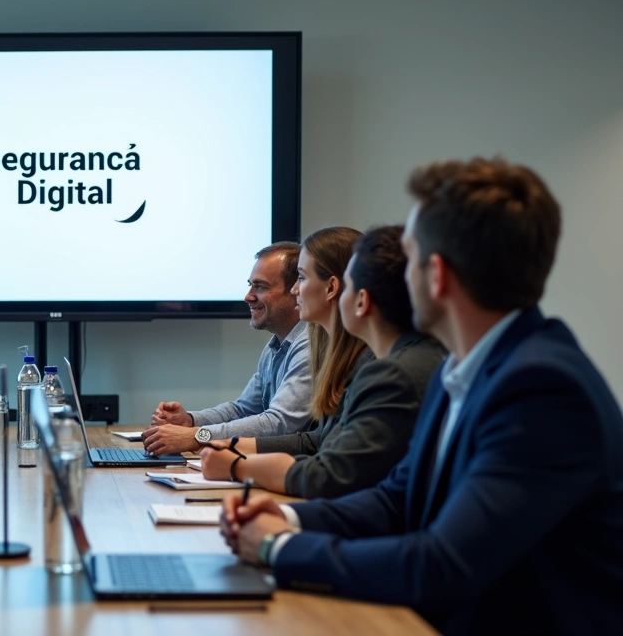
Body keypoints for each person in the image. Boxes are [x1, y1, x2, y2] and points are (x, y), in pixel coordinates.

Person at [220, 158, 623, 635]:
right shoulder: (463, 366)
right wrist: (287, 516)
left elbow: (441, 566)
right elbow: (397, 499)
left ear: (437, 275)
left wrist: (277, 547)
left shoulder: (542, 389)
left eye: (408, 258)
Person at [201, 226, 446, 498]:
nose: (295, 290)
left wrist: (239, 465)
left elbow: (335, 473)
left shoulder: (388, 371)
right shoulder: (365, 359)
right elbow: (322, 441)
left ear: (340, 291)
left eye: (302, 278)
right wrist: (231, 445)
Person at [142, 243, 313, 456]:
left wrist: (197, 436)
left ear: (295, 292)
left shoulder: (311, 345)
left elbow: (279, 424)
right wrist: (190, 420)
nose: (248, 296)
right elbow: (242, 410)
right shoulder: (276, 346)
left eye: (260, 287)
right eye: (250, 285)